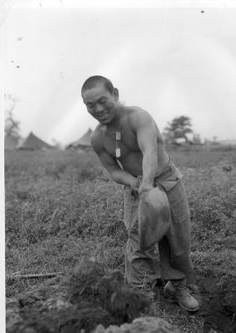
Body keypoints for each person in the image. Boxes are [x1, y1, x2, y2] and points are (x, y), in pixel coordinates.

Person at [81, 75, 199, 312]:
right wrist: (136, 184)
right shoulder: (97, 138)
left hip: (166, 181)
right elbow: (113, 170)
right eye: (90, 105)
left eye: (102, 100)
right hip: (136, 187)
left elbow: (149, 152)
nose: (98, 109)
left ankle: (177, 287)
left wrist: (148, 184)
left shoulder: (138, 117)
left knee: (177, 241)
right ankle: (141, 294)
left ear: (115, 93)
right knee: (138, 240)